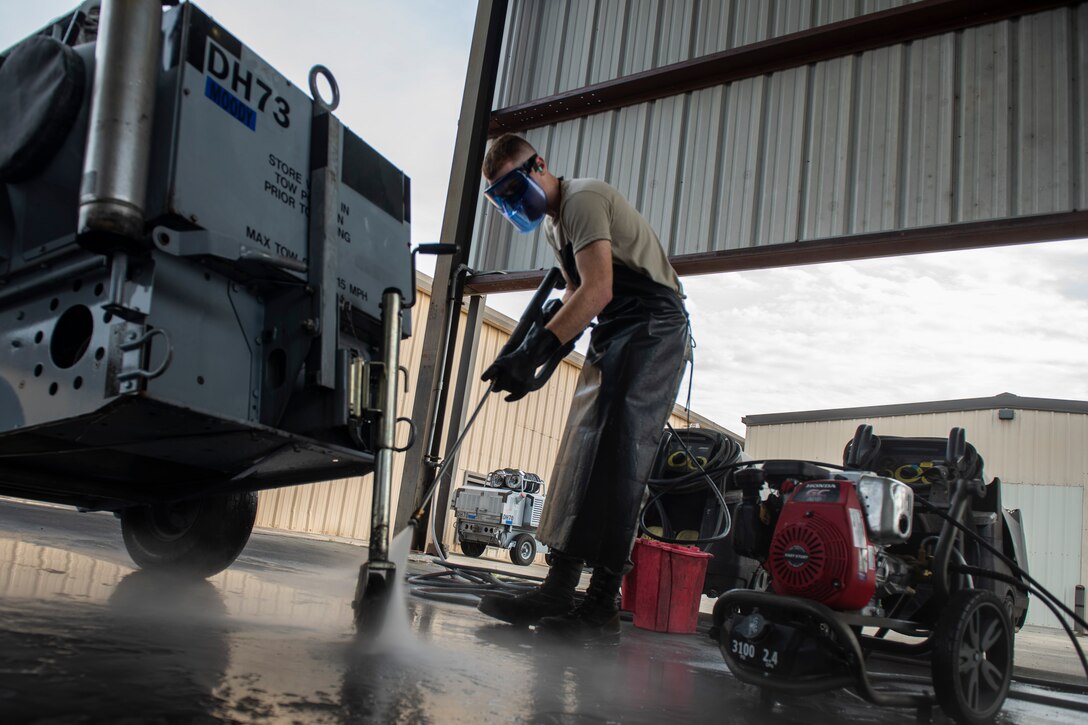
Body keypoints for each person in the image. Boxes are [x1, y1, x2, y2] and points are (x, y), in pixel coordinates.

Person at [476, 133, 690, 644]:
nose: (510, 203)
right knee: (581, 446)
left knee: (620, 453)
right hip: (615, 328)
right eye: (500, 198)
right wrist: (531, 357)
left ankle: (601, 606)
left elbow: (599, 288)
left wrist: (535, 351)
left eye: (512, 188)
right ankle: (558, 586)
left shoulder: (583, 199)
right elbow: (576, 293)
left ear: (539, 165)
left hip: (654, 326)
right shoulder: (555, 227)